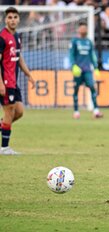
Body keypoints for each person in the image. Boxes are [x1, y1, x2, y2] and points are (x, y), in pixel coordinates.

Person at [0, 7, 35, 155]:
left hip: (14, 81)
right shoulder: (2, 37)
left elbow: (19, 58)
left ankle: (3, 129)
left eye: (15, 17)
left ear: (19, 19)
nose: (12, 20)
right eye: (10, 17)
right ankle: (4, 148)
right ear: (5, 20)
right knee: (9, 112)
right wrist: (0, 83)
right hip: (5, 81)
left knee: (19, 112)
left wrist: (29, 74)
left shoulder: (17, 36)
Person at [70, 21, 103, 119]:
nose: (84, 30)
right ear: (79, 29)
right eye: (82, 28)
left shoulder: (89, 42)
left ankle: (96, 110)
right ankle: (76, 111)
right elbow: (71, 54)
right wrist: (73, 66)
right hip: (78, 70)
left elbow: (92, 55)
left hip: (88, 70)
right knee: (76, 90)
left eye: (85, 28)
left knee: (93, 88)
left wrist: (96, 67)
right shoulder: (74, 41)